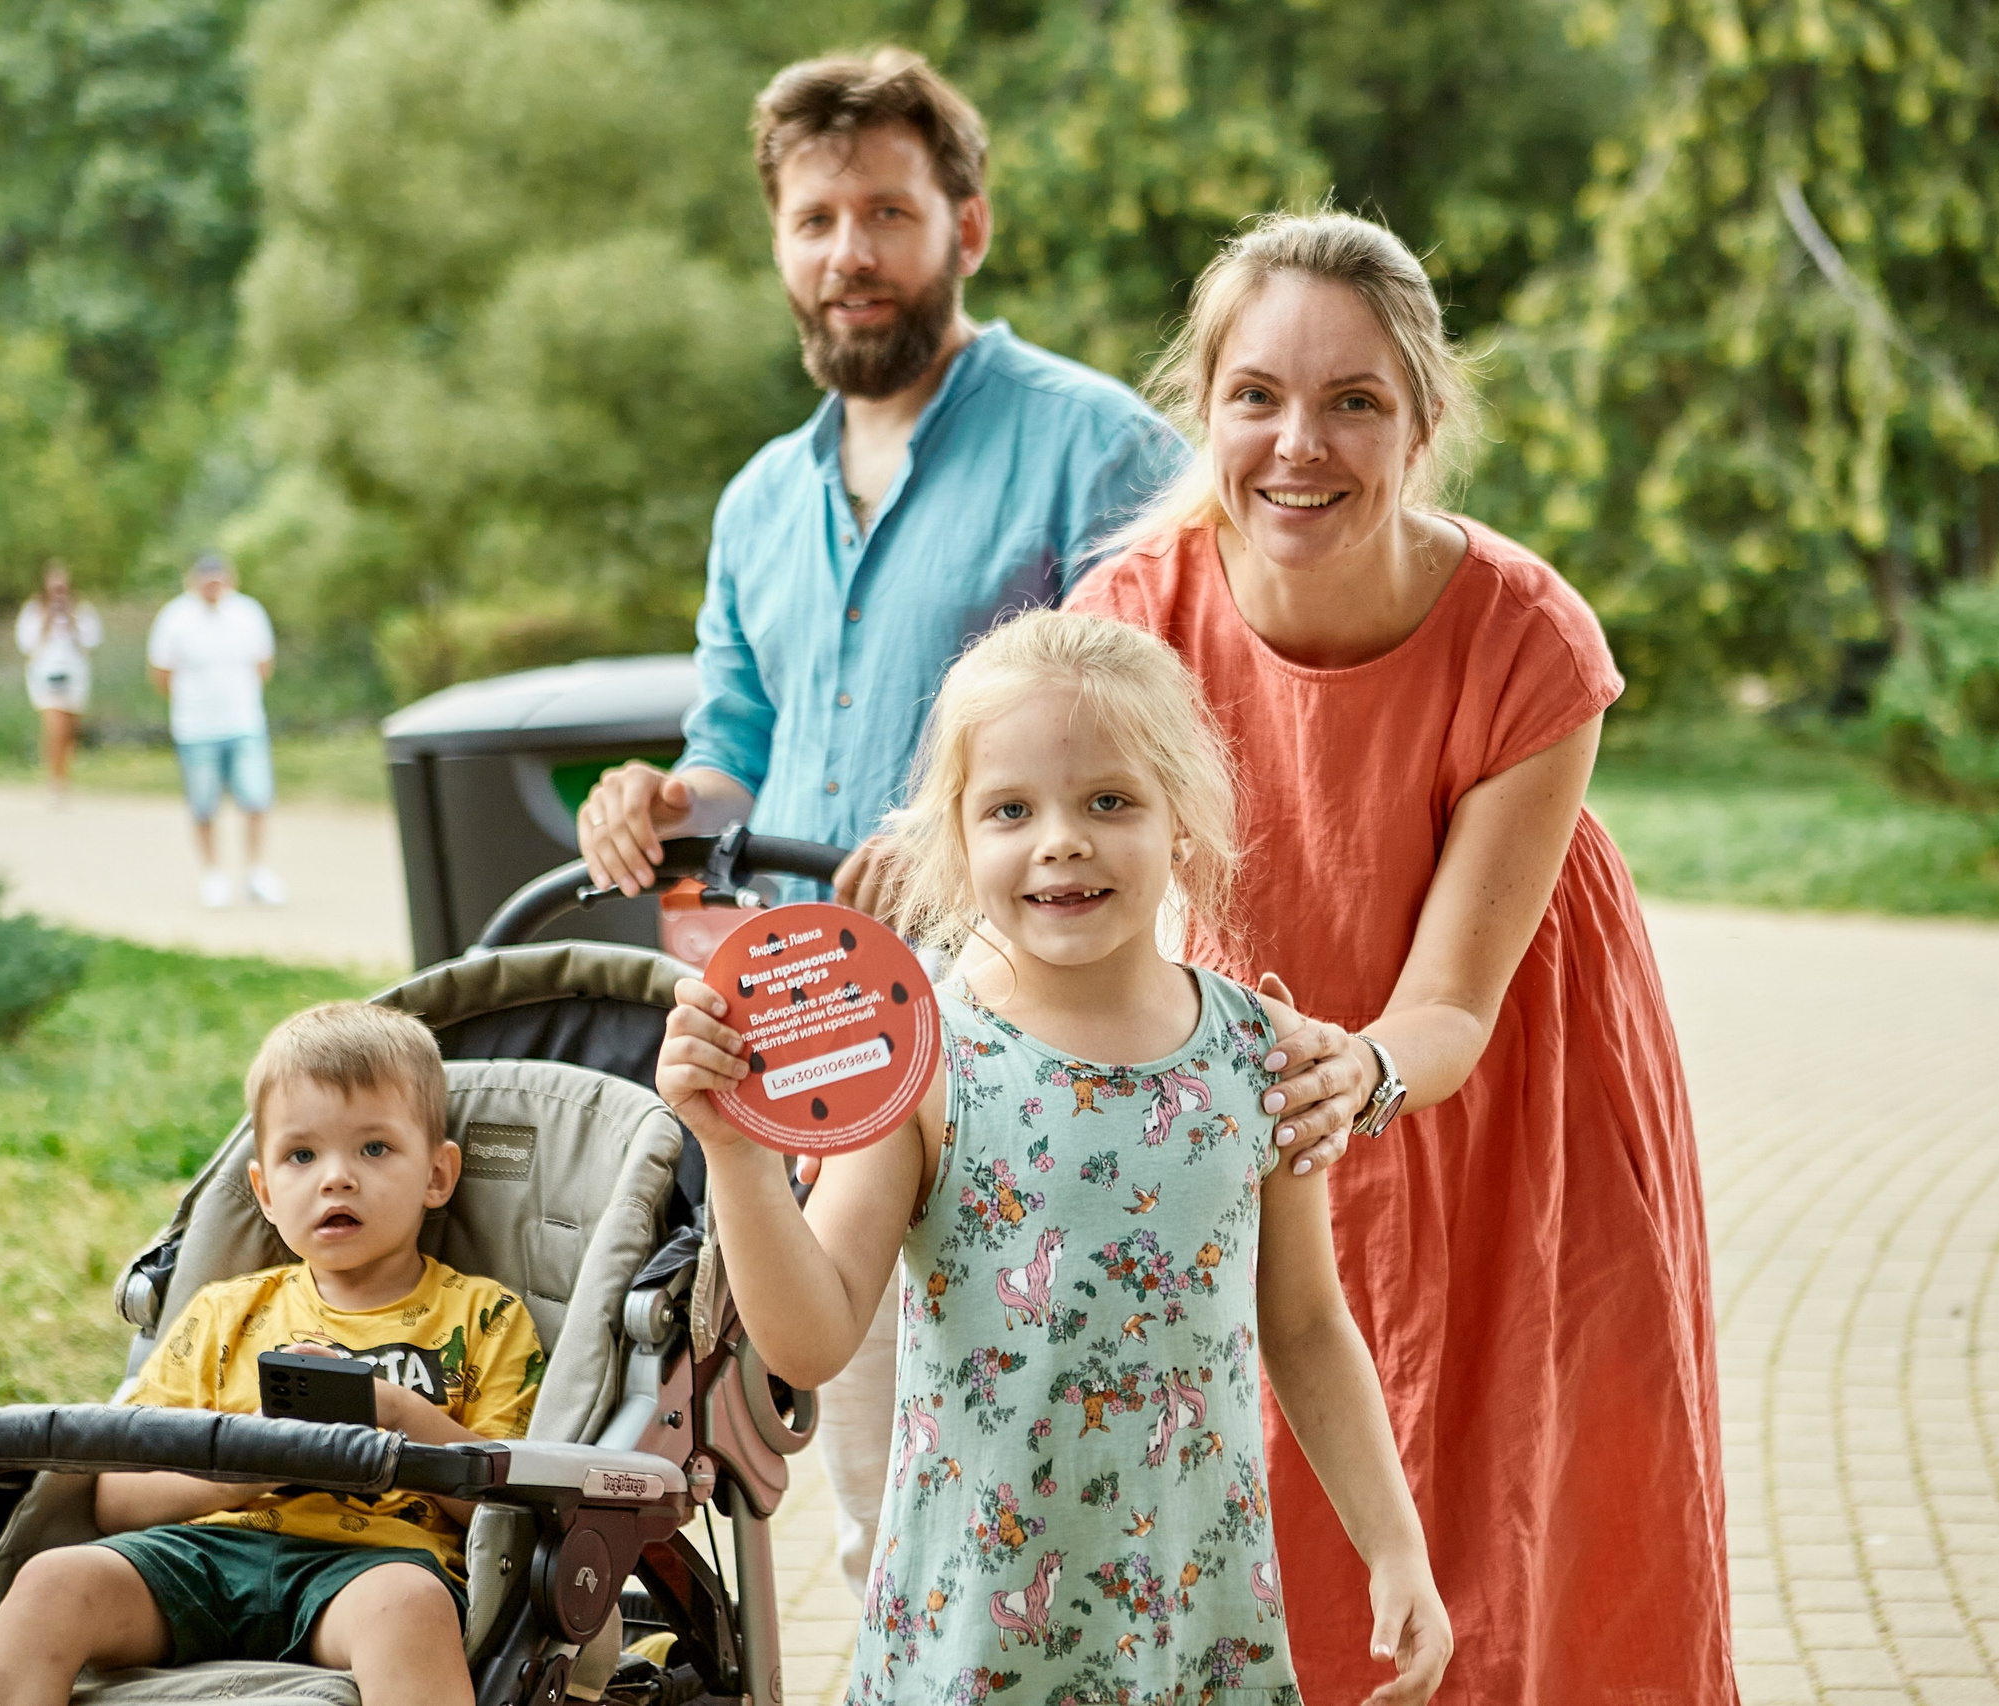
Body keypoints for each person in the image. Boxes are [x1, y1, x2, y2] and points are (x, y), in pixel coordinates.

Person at [1067, 212, 1734, 1705]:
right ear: (1206, 405)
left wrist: (1364, 1067)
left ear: (1423, 424)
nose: (1299, 443)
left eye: (1354, 400)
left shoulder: (1527, 639)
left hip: (1513, 1093)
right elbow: (1060, 900)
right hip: (1261, 1083)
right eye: (1258, 395)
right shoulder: (1133, 617)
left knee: (1532, 1505)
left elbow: (1447, 1005)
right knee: (1278, 1503)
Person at [575, 48, 1183, 1592]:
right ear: (778, 242)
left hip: (1035, 1040)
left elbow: (1164, 738)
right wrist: (661, 797)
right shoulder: (757, 503)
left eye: (888, 213)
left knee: (1056, 1464)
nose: (850, 253)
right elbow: (739, 753)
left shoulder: (1095, 445)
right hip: (823, 1056)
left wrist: (953, 833)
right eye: (815, 219)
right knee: (880, 1493)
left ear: (966, 226)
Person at [656, 612, 1452, 1705]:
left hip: (1190, 1616)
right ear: (958, 839)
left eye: (1109, 801)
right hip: (975, 1632)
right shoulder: (923, 1061)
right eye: (1010, 810)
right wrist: (738, 1155)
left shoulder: (1259, 1052)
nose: (1060, 839)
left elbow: (1307, 1323)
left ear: (1183, 822)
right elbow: (814, 1332)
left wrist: (1396, 1546)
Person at [0, 1002, 546, 1706]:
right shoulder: (228, 1313)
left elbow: (514, 1513)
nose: (336, 1178)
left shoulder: (485, 1315)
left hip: (374, 1568)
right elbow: (115, 1498)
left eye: (374, 1148)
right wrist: (238, 1466)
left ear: (438, 1176)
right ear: (263, 1190)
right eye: (302, 1155)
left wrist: (391, 1412)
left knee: (408, 1609)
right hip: (205, 1557)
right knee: (50, 1582)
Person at [147, 553, 286, 909]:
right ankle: (213, 874)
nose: (213, 585)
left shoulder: (248, 613)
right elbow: (161, 674)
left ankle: (256, 871)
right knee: (204, 804)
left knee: (256, 798)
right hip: (196, 728)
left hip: (244, 723)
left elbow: (263, 665)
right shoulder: (175, 618)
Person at [14, 560, 103, 803]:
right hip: (46, 673)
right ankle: (55, 780)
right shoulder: (34, 610)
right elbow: (26, 644)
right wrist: (46, 620)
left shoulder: (82, 610)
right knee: (54, 725)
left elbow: (92, 642)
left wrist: (71, 619)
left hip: (75, 674)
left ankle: (64, 773)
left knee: (70, 729)